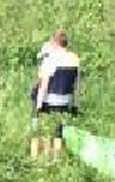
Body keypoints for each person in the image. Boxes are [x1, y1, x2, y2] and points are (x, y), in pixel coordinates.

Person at [31, 30, 82, 158]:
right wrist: (75, 105)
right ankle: (57, 158)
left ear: (55, 43)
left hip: (51, 99)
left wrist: (38, 105)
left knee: (42, 129)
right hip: (67, 100)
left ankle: (40, 156)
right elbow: (77, 85)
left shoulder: (51, 59)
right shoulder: (75, 58)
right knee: (59, 130)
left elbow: (44, 84)